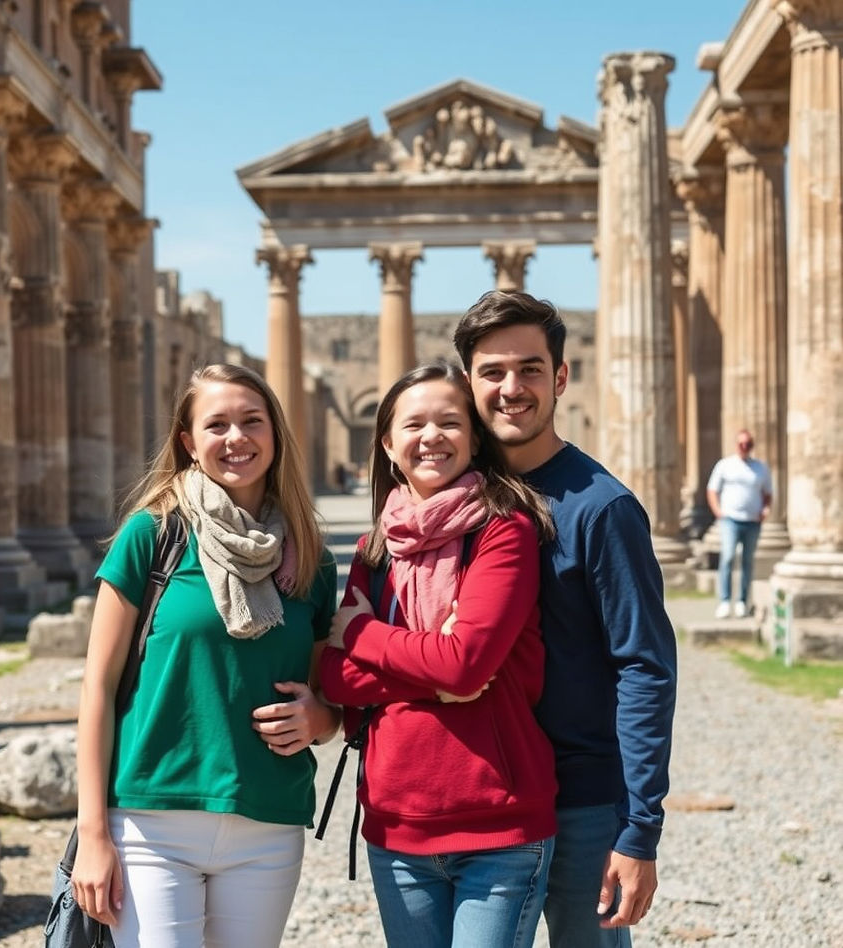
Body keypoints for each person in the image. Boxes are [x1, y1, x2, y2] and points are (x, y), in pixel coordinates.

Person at [71, 363, 340, 948]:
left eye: (252, 421)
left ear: (275, 434)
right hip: (152, 820)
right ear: (189, 443)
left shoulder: (312, 558)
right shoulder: (152, 535)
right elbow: (96, 687)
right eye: (216, 425)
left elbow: (323, 693)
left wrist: (321, 719)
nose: (236, 438)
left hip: (268, 820)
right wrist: (92, 833)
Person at [453, 291, 677, 948]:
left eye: (528, 369)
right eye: (492, 372)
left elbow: (645, 668)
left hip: (581, 801)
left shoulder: (602, 509)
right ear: (468, 382)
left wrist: (638, 831)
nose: (510, 388)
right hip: (485, 792)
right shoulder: (453, 500)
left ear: (560, 378)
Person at [319, 362, 558, 948]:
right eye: (414, 424)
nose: (432, 436)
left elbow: (464, 664)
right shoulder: (376, 545)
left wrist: (362, 636)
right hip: (395, 824)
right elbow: (331, 677)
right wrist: (434, 669)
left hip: (498, 825)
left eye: (450, 422)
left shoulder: (503, 530)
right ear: (388, 443)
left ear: (474, 437)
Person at [706, 429, 772, 619]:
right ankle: (725, 600)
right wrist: (718, 512)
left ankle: (743, 600)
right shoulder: (725, 465)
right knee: (727, 557)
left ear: (752, 446)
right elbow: (712, 490)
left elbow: (768, 493)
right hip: (730, 519)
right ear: (736, 445)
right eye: (741, 444)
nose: (744, 447)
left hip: (752, 521)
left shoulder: (760, 468)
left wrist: (766, 509)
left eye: (748, 444)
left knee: (747, 561)